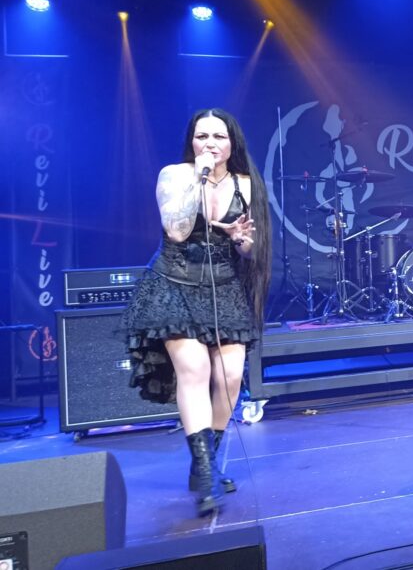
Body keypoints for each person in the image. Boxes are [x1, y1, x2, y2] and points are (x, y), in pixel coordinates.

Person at [120, 108, 270, 517]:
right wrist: (199, 177)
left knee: (231, 377)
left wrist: (241, 241)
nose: (210, 144)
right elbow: (177, 230)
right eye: (202, 136)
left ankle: (207, 461)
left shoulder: (246, 183)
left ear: (232, 143)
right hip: (174, 283)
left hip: (224, 286)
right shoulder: (175, 175)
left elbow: (253, 249)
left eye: (218, 137)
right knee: (195, 370)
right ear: (192, 141)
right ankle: (205, 475)